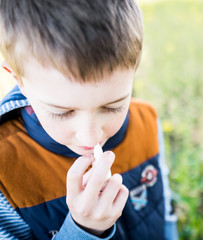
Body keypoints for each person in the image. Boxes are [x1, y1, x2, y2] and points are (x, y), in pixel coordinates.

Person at [0, 0, 178, 239]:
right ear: (17, 78)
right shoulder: (5, 171)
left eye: (113, 106)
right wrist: (82, 229)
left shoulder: (145, 122)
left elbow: (163, 209)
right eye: (62, 112)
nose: (91, 136)